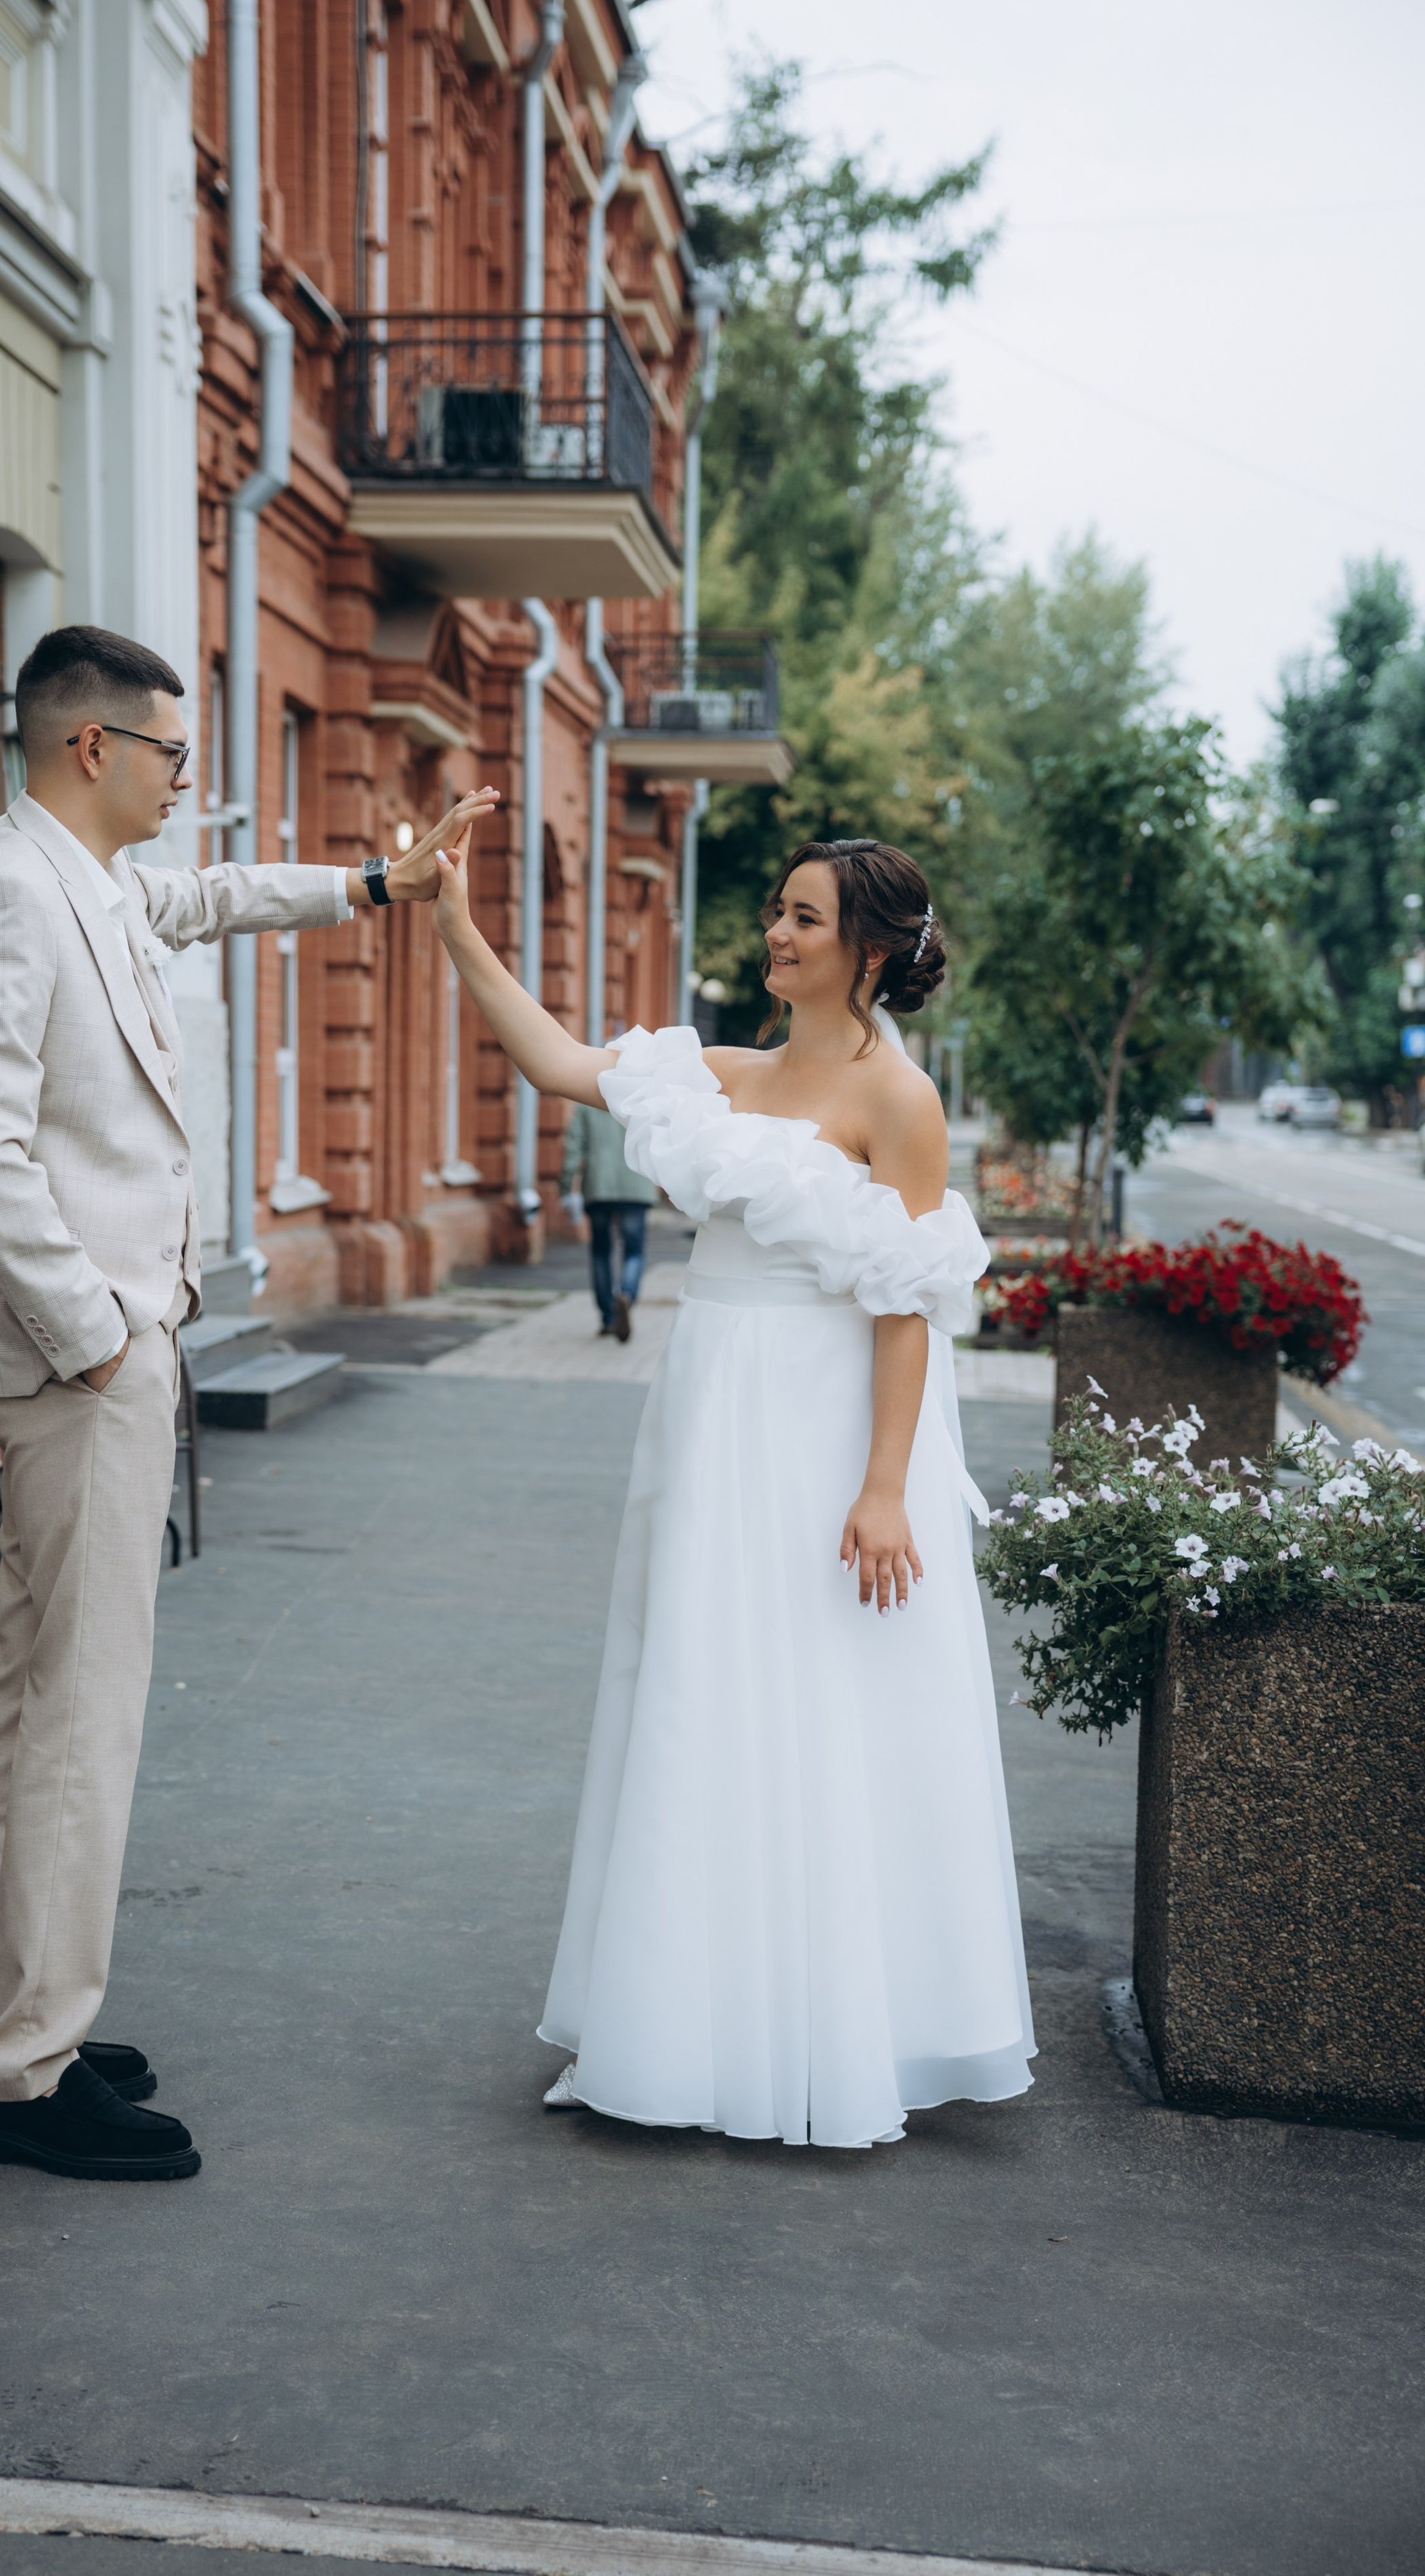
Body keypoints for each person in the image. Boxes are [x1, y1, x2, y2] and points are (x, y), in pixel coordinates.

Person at [0, 622, 495, 2181]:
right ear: (88, 746)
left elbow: (221, 896)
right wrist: (100, 1333)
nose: (191, 779)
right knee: (82, 1715)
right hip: (73, 1361)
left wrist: (377, 884)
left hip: (77, 1357)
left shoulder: (90, 881)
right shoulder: (4, 886)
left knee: (28, 1688)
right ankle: (21, 2079)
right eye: (173, 752)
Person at [433, 827, 1033, 2149]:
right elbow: (550, 1060)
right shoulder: (714, 1072)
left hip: (829, 1432)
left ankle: (824, 2029)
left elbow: (906, 1310)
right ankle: (682, 2018)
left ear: (869, 948)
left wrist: (883, 1490)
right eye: (775, 910)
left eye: (804, 918)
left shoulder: (901, 1102)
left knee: (825, 1703)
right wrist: (451, 924)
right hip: (712, 1418)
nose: (775, 933)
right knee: (698, 1691)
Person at [561, 1093, 657, 1341]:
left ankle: (608, 1318)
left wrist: (565, 1189)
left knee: (601, 1252)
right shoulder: (645, 1099)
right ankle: (626, 1295)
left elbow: (573, 1148)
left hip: (598, 1187)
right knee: (634, 1251)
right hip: (637, 1186)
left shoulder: (587, 1100)